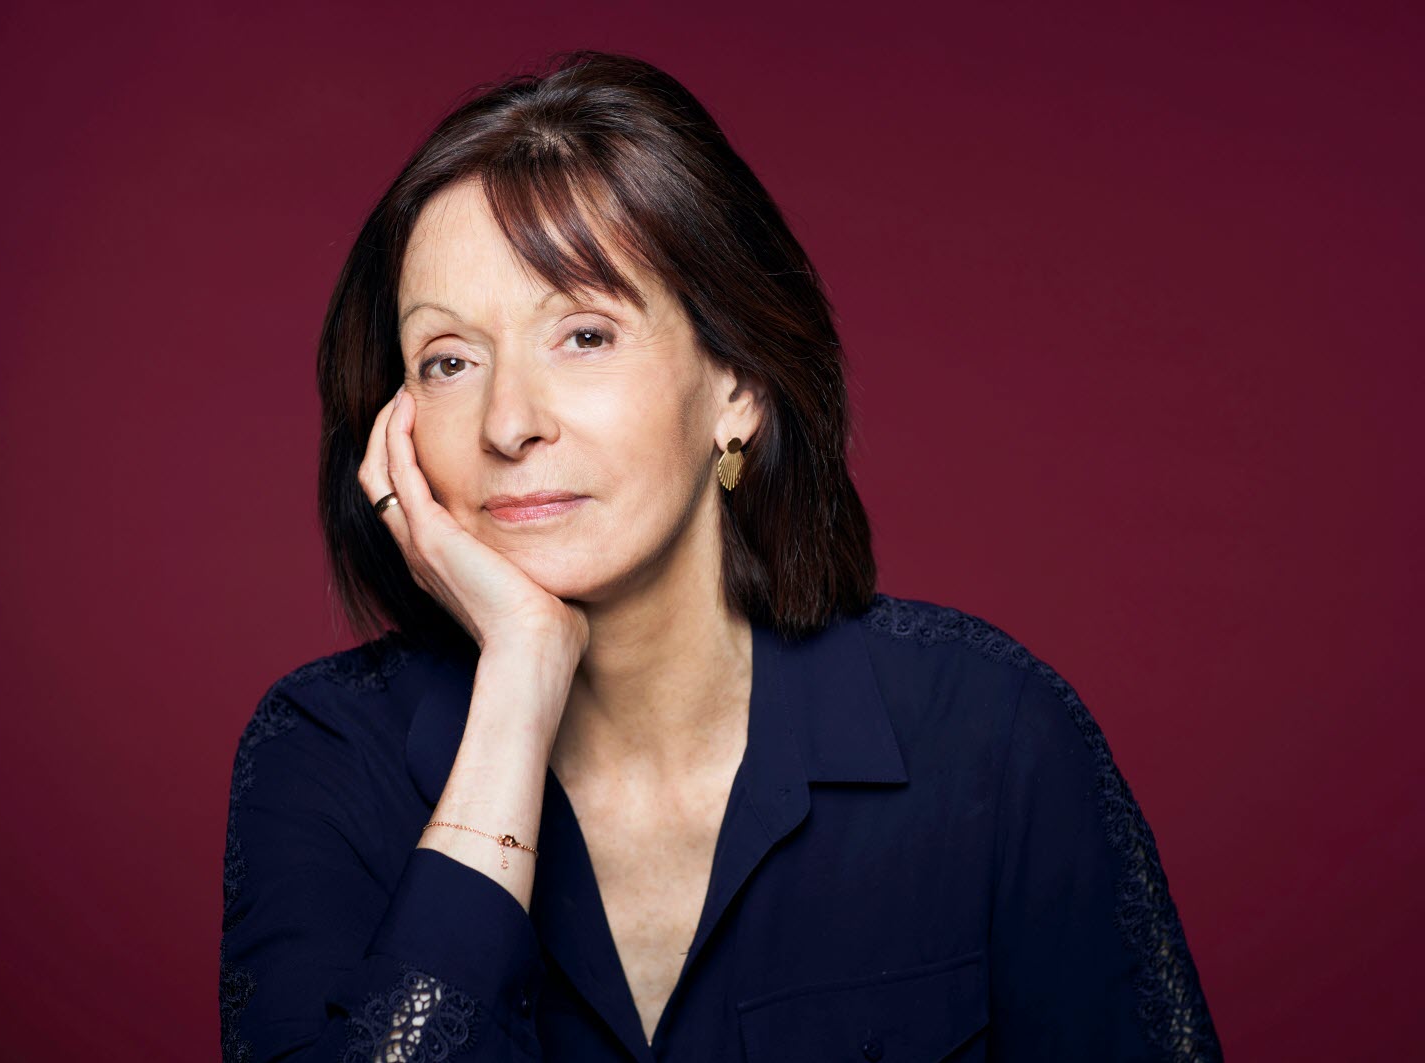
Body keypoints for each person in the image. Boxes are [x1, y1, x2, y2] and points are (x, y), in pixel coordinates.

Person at [218, 49, 1223, 1063]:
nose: (508, 422)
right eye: (448, 360)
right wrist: (520, 680)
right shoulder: (325, 754)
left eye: (585, 336)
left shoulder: (991, 737)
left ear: (736, 387)